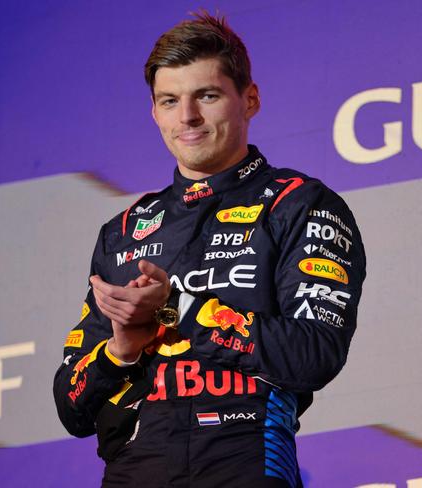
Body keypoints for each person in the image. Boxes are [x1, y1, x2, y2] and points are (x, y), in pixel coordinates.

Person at [53, 11, 366, 488]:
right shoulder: (123, 231)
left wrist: (175, 309)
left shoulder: (299, 204)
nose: (188, 117)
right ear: (154, 112)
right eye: (170, 101)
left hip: (246, 461)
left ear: (250, 99)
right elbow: (71, 408)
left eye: (207, 95)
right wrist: (120, 350)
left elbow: (314, 354)